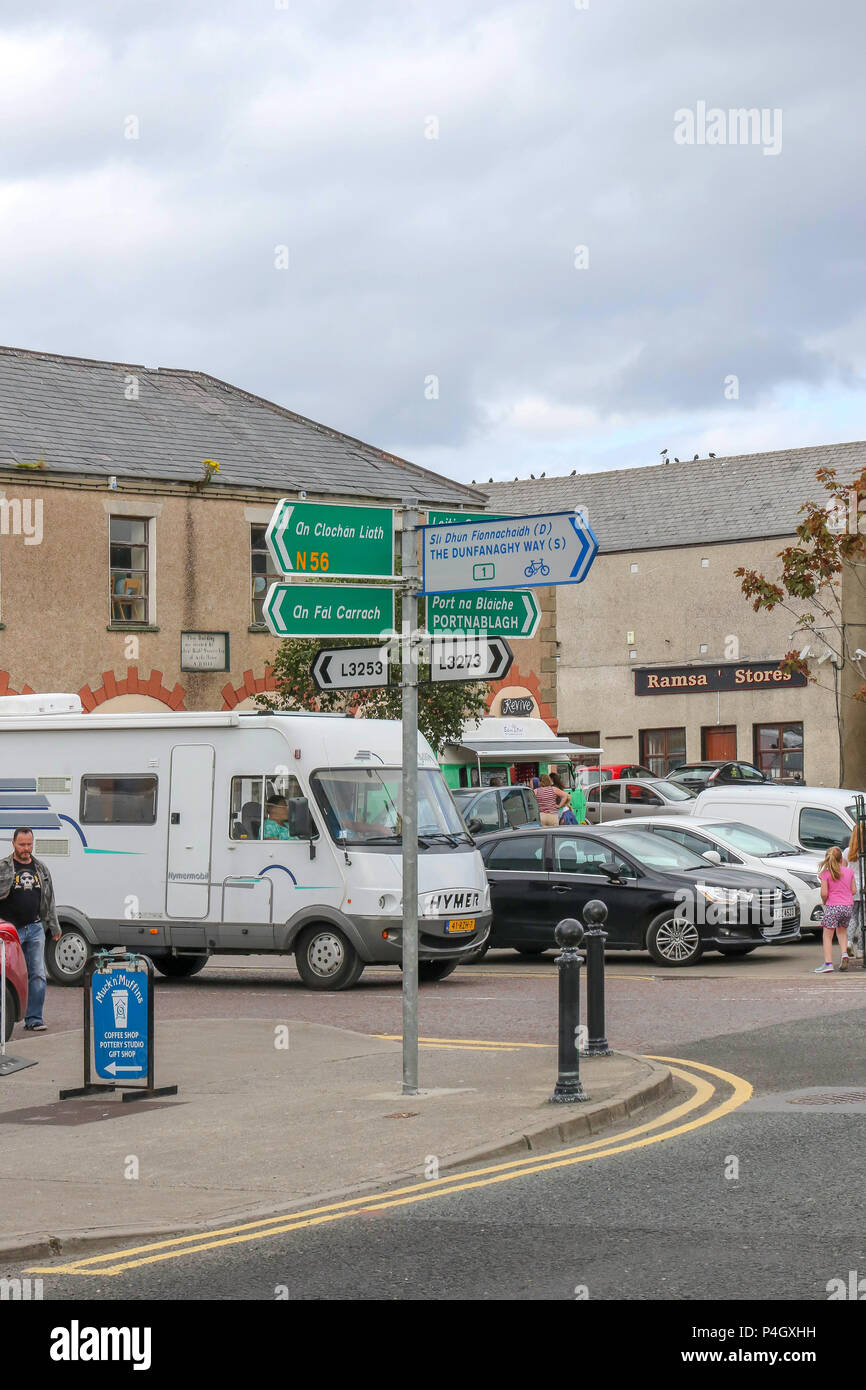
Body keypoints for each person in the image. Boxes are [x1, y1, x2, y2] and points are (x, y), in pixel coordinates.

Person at [0, 827, 62, 1031]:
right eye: (22, 845)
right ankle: (5, 1018)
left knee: (37, 974)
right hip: (10, 931)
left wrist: (54, 926)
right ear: (13, 844)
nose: (26, 849)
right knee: (6, 974)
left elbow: (49, 899)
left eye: (29, 844)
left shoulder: (41, 869)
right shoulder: (3, 867)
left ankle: (34, 1019)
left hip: (35, 928)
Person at [815, 845, 855, 974]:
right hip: (847, 907)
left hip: (833, 907)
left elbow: (824, 893)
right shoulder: (849, 872)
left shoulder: (825, 874)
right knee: (842, 932)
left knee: (827, 936)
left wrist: (825, 902)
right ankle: (844, 954)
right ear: (841, 859)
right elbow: (853, 890)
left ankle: (828, 963)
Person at [843, 824, 864, 958]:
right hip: (863, 887)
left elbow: (844, 871)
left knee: (852, 917)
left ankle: (849, 942)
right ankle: (861, 950)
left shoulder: (847, 851)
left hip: (851, 887)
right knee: (864, 920)